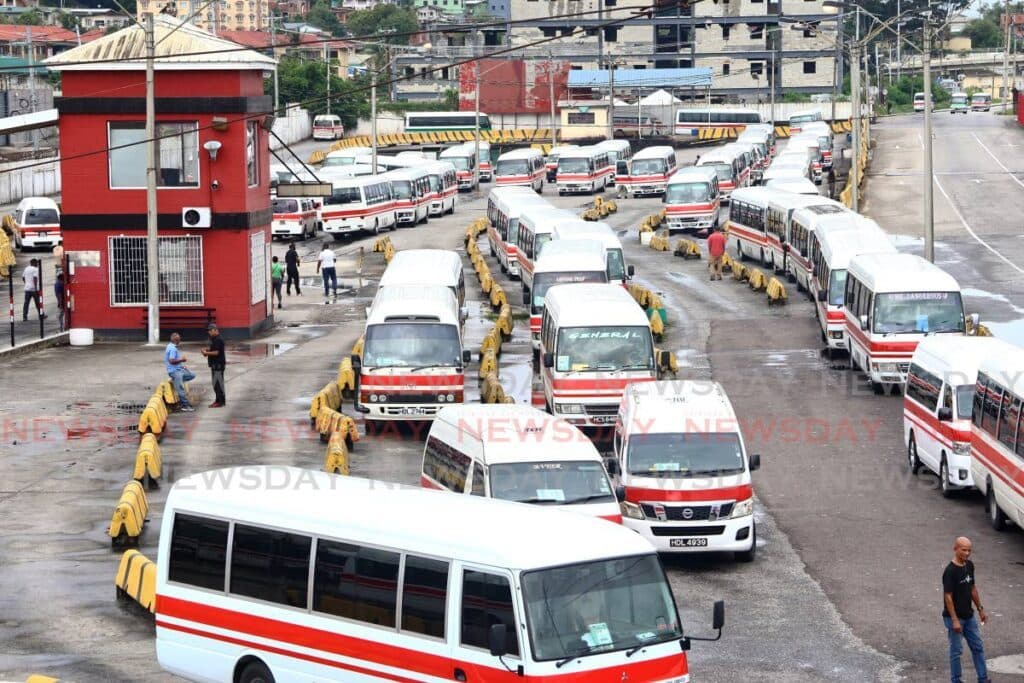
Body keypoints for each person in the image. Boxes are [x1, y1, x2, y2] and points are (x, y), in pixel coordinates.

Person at [942, 537, 990, 683]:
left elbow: (972, 589)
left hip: (969, 617)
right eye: (964, 550)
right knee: (956, 652)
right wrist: (955, 620)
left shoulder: (969, 565)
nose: (967, 553)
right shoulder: (950, 571)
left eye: (969, 550)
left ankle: (983, 679)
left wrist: (980, 609)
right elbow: (948, 597)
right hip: (954, 618)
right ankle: (956, 680)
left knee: (978, 647)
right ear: (955, 549)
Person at [164, 332, 196, 412]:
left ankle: (176, 380)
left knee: (192, 375)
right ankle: (185, 405)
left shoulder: (170, 346)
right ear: (176, 340)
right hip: (174, 371)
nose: (180, 340)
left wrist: (181, 366)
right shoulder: (173, 349)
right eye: (179, 339)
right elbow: (171, 361)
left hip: (178, 370)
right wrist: (182, 360)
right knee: (180, 388)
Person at [200, 323, 227, 408]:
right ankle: (221, 401)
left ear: (215, 330)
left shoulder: (218, 339)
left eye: (210, 331)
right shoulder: (214, 339)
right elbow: (214, 349)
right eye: (209, 331)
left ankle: (219, 402)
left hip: (218, 365)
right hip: (216, 364)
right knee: (218, 383)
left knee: (217, 384)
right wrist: (207, 350)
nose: (209, 332)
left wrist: (206, 352)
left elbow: (216, 352)